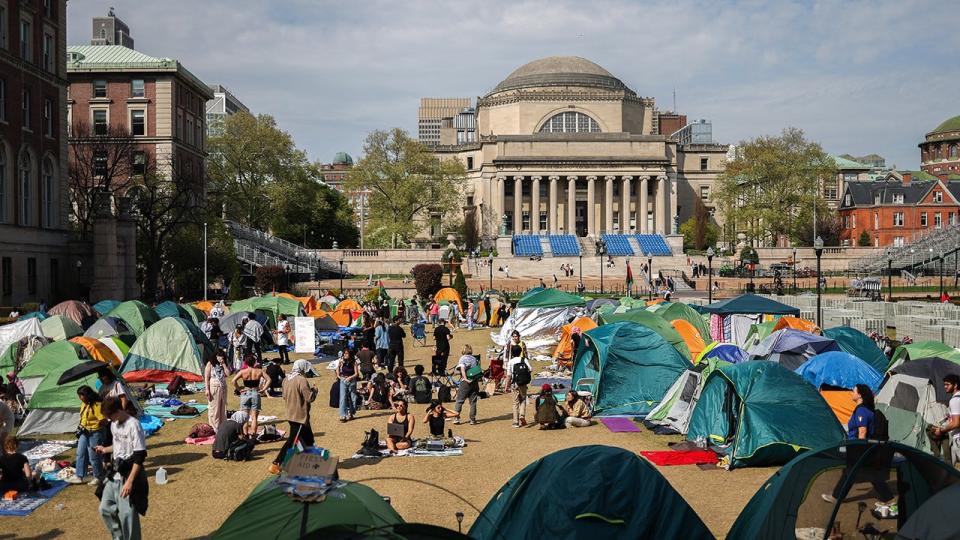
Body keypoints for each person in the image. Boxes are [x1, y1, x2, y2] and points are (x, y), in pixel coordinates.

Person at [822, 384, 893, 504]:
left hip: (859, 448)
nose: (851, 392)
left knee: (854, 472)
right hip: (864, 448)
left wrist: (860, 451)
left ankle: (837, 497)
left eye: (853, 390)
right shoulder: (866, 409)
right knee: (859, 473)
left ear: (860, 395)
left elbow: (862, 431)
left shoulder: (861, 410)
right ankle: (888, 499)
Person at [95, 396, 148, 540]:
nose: (110, 420)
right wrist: (105, 450)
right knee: (105, 508)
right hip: (114, 475)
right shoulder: (114, 424)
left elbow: (139, 456)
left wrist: (130, 482)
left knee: (127, 515)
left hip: (128, 475)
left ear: (118, 411)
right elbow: (118, 446)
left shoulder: (134, 425)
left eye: (110, 416)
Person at [270, 359, 317, 474]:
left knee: (309, 440)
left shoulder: (286, 380)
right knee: (292, 441)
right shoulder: (301, 380)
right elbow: (309, 397)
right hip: (300, 416)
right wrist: (315, 390)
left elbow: (284, 396)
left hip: (291, 414)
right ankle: (276, 463)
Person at [66, 385, 105, 485]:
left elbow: (103, 420)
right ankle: (80, 476)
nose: (80, 398)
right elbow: (83, 417)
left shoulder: (97, 405)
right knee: (81, 453)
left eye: (81, 395)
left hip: (94, 432)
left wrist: (95, 427)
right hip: (84, 432)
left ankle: (98, 476)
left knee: (93, 456)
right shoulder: (84, 404)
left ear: (87, 395)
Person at [231, 355, 270, 437]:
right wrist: (263, 389)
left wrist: (239, 389)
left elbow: (233, 380)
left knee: (245, 417)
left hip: (245, 393)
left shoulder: (242, 371)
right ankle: (253, 435)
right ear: (254, 362)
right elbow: (269, 379)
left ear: (245, 362)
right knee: (254, 418)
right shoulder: (259, 371)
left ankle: (245, 435)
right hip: (255, 393)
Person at [931, 374, 960, 465]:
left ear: (955, 385)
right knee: (950, 468)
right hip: (956, 438)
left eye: (948, 384)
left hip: (958, 438)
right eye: (944, 384)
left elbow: (956, 423)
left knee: (950, 469)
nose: (945, 387)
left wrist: (941, 430)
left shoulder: (954, 401)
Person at [504, 331, 532, 428]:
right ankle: (522, 415)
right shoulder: (524, 360)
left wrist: (506, 386)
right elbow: (531, 369)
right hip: (523, 383)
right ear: (520, 351)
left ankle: (515, 422)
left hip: (514, 384)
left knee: (515, 402)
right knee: (523, 399)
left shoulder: (511, 362)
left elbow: (508, 375)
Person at [204, 349, 232, 432]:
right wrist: (207, 390)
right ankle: (214, 427)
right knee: (214, 408)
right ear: (215, 356)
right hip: (214, 387)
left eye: (222, 356)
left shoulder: (223, 364)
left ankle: (222, 426)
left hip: (223, 387)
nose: (221, 357)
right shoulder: (210, 364)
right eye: (219, 356)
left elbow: (228, 374)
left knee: (223, 407)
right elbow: (206, 378)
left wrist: (223, 364)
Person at [454, 344, 480, 425]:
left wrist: (465, 378)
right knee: (473, 402)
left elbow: (462, 369)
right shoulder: (474, 358)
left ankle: (456, 418)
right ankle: (472, 419)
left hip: (465, 382)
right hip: (474, 382)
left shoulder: (463, 358)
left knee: (459, 401)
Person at [338, 348, 359, 422]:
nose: (345, 355)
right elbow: (337, 369)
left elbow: (356, 374)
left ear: (350, 354)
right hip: (343, 380)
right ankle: (343, 415)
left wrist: (350, 377)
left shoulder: (354, 362)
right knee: (343, 397)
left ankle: (351, 413)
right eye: (344, 353)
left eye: (346, 353)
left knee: (353, 397)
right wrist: (339, 376)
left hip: (352, 381)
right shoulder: (341, 361)